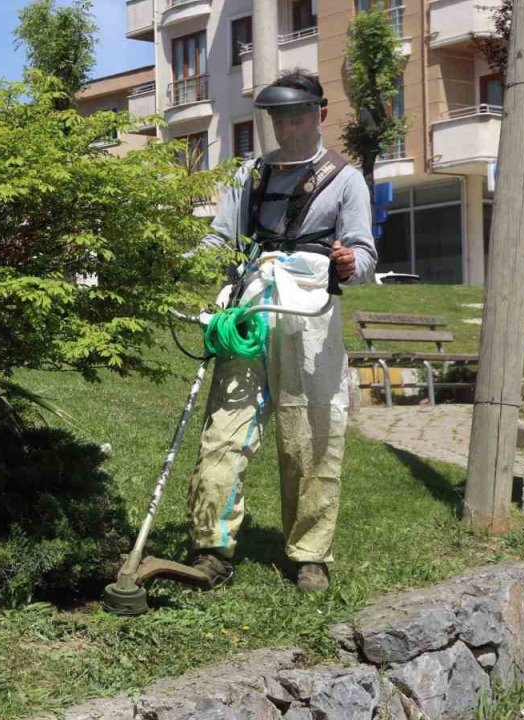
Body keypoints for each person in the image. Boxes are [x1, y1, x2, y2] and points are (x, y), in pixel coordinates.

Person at [185, 69, 378, 593]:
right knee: (224, 429)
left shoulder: (346, 178)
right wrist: (176, 267)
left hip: (309, 315)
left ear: (319, 114)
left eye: (296, 115)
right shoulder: (245, 176)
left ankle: (310, 554)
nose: (287, 126)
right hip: (248, 309)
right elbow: (220, 241)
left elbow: (363, 253)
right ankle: (212, 548)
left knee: (311, 434)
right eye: (277, 117)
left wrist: (347, 263)